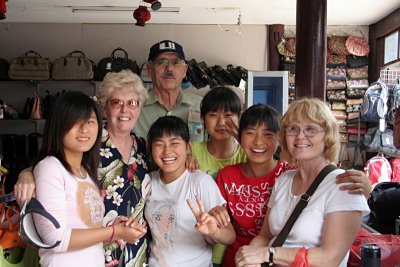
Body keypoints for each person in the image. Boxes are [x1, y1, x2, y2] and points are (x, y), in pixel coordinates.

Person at [15, 70, 151, 266]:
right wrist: (27, 174)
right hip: (94, 251)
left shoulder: (145, 148)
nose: (124, 110)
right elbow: (54, 163)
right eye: (116, 103)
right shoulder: (90, 145)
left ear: (139, 108)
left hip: (135, 253)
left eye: (132, 103)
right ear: (104, 108)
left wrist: (190, 160)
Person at [210, 103, 372, 267]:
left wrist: (268, 254)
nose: (300, 136)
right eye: (293, 129)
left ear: (328, 136)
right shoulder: (284, 180)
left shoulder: (343, 185)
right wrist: (248, 257)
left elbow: (330, 258)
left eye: (310, 129)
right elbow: (265, 236)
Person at [144, 115, 236, 266]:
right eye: (159, 144)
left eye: (174, 143)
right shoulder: (148, 182)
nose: (167, 151)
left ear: (188, 146)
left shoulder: (200, 182)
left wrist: (214, 231)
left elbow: (230, 236)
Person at [191, 86, 247, 267]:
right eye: (213, 115)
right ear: (202, 119)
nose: (222, 122)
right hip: (198, 250)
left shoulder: (249, 156)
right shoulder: (190, 151)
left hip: (238, 253)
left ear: (240, 117)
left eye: (229, 114)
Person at [134, 40, 203, 141]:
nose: (169, 68)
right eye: (162, 62)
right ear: (149, 69)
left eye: (176, 63)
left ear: (184, 70)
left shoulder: (201, 106)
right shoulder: (133, 107)